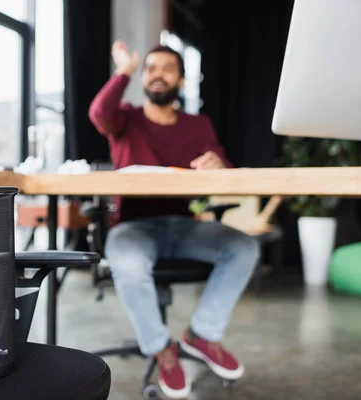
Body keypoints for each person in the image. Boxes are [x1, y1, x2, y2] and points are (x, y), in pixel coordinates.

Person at [88, 40, 260, 399]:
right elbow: (99, 112)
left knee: (243, 247)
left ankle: (202, 334)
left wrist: (216, 163)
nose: (158, 75)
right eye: (151, 68)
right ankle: (161, 348)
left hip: (183, 225)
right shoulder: (125, 119)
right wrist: (124, 69)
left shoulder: (198, 125)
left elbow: (224, 167)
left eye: (168, 69)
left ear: (181, 81)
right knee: (130, 264)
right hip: (133, 228)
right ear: (143, 77)